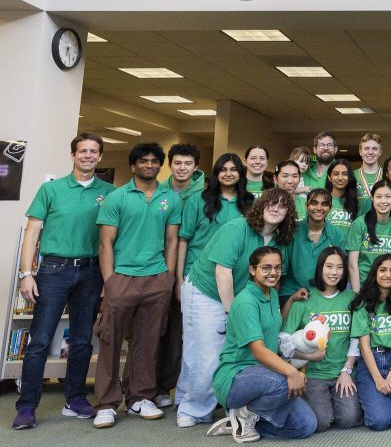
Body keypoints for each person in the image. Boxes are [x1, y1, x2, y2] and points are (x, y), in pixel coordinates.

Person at [13, 133, 115, 430]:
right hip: (54, 270)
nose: (87, 155)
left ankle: (75, 399)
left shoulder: (110, 192)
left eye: (93, 151)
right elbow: (32, 233)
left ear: (100, 157)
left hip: (91, 271)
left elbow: (114, 238)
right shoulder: (51, 189)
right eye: (82, 151)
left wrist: (109, 279)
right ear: (73, 155)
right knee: (40, 340)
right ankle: (27, 406)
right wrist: (26, 273)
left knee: (82, 340)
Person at [178, 189, 297, 428]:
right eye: (271, 204)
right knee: (206, 353)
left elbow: (272, 280)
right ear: (261, 206)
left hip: (236, 297)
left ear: (288, 214)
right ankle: (193, 410)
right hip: (207, 291)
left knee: (208, 352)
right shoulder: (237, 228)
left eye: (282, 206)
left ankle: (186, 396)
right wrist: (232, 313)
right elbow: (223, 273)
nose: (275, 209)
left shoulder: (277, 241)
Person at [93, 142, 181, 428]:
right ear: (133, 166)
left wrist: (168, 277)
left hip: (156, 278)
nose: (149, 165)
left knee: (148, 341)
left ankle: (139, 397)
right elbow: (105, 243)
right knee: (111, 340)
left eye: (155, 161)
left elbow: (171, 241)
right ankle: (106, 403)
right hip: (122, 278)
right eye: (143, 161)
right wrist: (110, 282)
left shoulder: (171, 198)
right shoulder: (117, 197)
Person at [206, 246, 316, 441]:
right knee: (287, 381)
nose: (273, 273)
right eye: (266, 268)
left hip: (266, 376)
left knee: (306, 425)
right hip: (236, 377)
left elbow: (273, 324)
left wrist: (290, 299)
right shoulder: (246, 302)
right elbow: (258, 350)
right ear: (252, 270)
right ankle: (243, 413)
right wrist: (292, 371)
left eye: (277, 267)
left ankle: (241, 420)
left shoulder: (271, 294)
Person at [174, 152, 253, 424]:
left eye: (234, 169)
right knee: (198, 346)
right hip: (202, 281)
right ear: (215, 173)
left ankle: (188, 396)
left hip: (234, 283)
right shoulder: (200, 201)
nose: (228, 174)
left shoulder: (249, 204)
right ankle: (191, 404)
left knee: (206, 346)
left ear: (241, 174)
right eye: (223, 169)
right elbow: (183, 240)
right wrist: (179, 278)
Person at [282, 246, 361, 432]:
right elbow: (283, 340)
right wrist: (307, 357)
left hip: (343, 372)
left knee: (349, 419)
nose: (334, 272)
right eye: (329, 266)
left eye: (339, 267)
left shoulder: (352, 298)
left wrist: (347, 370)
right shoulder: (305, 300)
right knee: (321, 423)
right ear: (320, 268)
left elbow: (357, 338)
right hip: (314, 375)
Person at [349, 253, 391, 430]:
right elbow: (364, 345)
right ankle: (375, 399)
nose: (388, 274)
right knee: (379, 421)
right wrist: (379, 380)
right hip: (371, 359)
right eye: (383, 270)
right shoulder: (362, 302)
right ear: (374, 273)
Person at [279, 188, 346, 302]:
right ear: (306, 205)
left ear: (330, 208)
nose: (319, 208)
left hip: (324, 292)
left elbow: (340, 269)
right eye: (314, 203)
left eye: (324, 204)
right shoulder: (292, 231)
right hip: (292, 291)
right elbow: (282, 269)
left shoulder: (337, 235)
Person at [345, 179, 391, 290]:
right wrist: (357, 293)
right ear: (372, 198)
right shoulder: (359, 224)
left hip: (388, 284)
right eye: (378, 197)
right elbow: (352, 264)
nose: (383, 201)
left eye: (388, 196)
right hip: (361, 283)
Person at [325, 158, 359, 237]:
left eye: (345, 174)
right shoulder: (323, 200)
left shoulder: (356, 202)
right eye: (336, 174)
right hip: (326, 248)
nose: (340, 178)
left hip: (347, 248)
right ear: (329, 177)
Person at [354, 132, 384, 215]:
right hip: (357, 225)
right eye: (366, 148)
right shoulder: (351, 176)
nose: (370, 152)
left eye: (375, 148)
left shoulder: (387, 176)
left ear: (380, 152)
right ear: (360, 151)